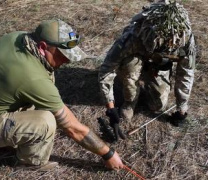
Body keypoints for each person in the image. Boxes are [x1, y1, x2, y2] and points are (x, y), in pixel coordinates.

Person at [0, 19, 124, 171]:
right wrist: (108, 153)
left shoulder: (18, 37)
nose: (67, 61)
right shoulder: (33, 79)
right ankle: (29, 162)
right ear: (42, 47)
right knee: (45, 122)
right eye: (62, 55)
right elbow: (72, 128)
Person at [99, 0, 196, 140]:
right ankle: (130, 101)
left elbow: (186, 73)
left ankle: (148, 76)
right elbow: (107, 70)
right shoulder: (132, 36)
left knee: (158, 106)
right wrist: (111, 108)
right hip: (135, 60)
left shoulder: (185, 40)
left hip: (156, 66)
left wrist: (182, 107)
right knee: (130, 65)